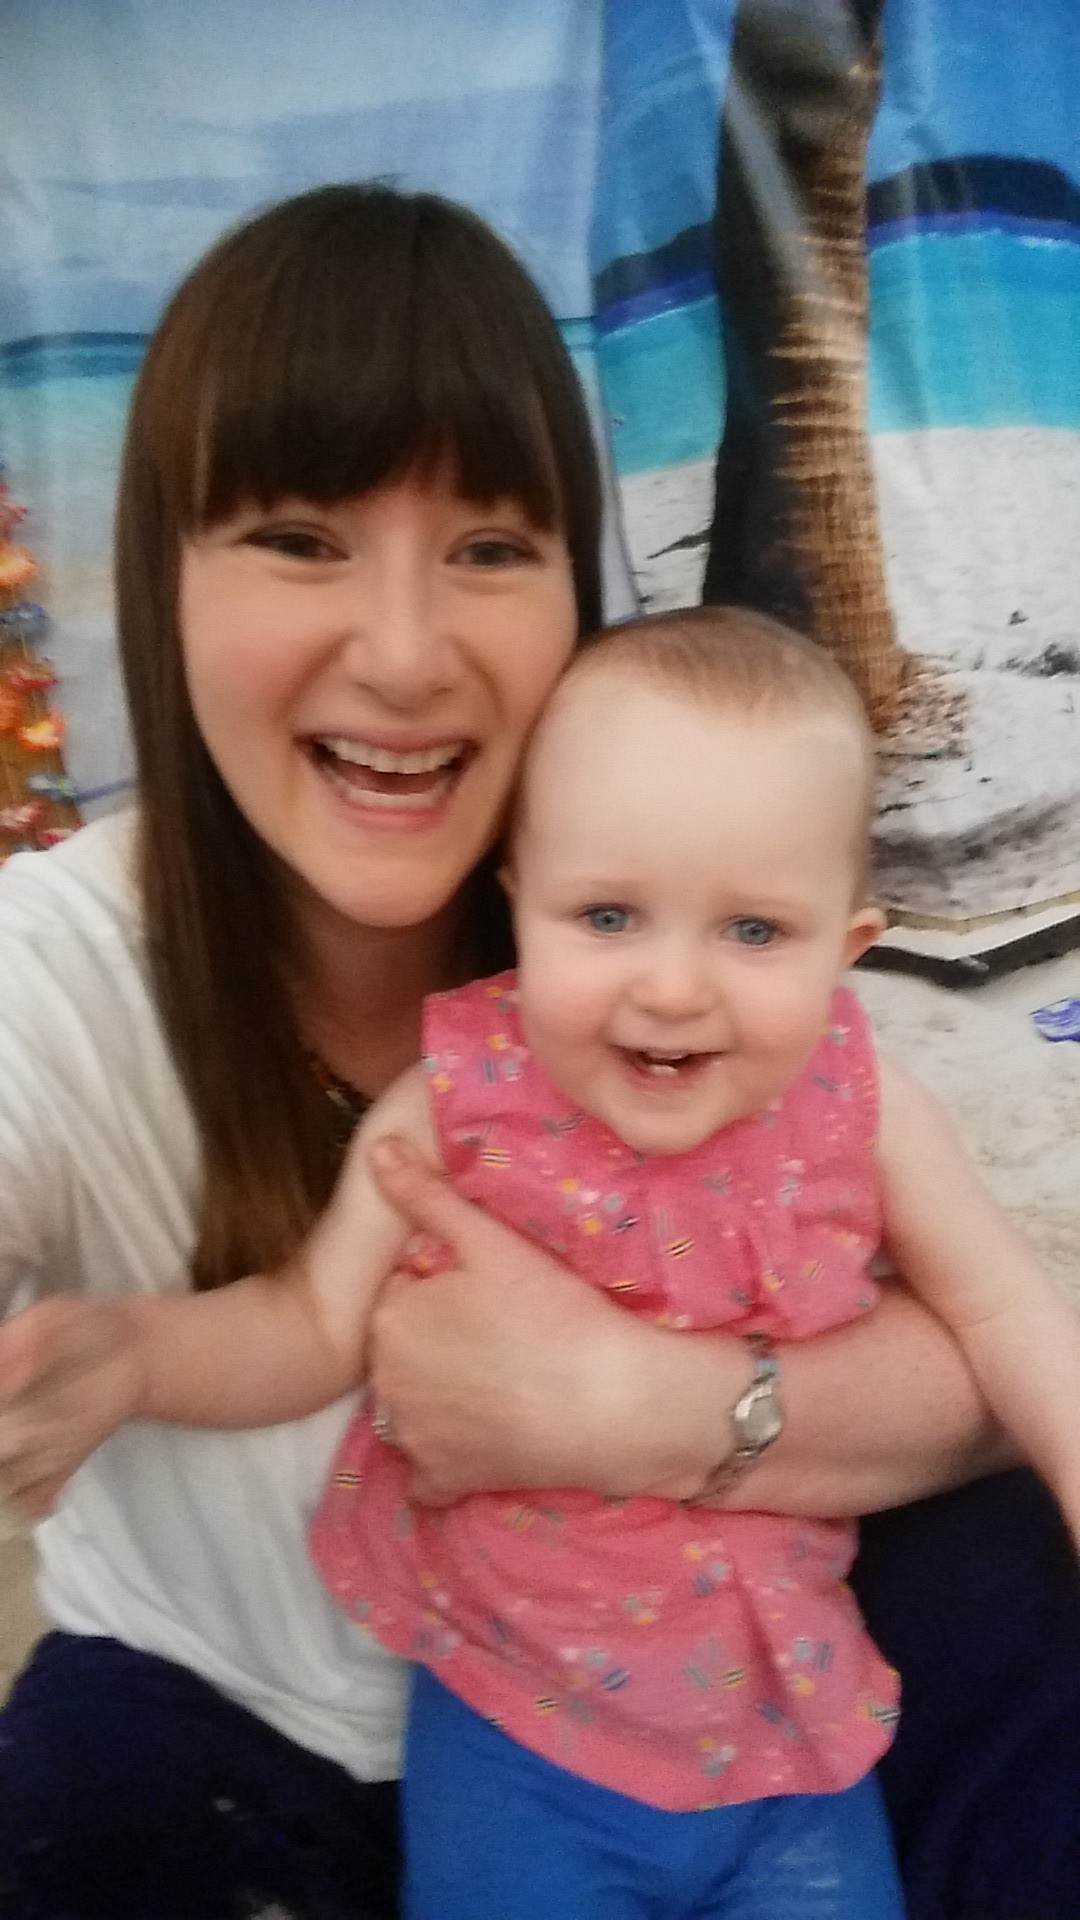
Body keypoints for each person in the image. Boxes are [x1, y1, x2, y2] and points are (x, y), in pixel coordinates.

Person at [0, 182, 1064, 1920]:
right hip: (283, 1725)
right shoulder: (63, 980)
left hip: (742, 1693)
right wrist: (109, 1351)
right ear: (162, 579)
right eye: (297, 537)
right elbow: (280, 1318)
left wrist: (636, 1409)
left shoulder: (710, 946)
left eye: (492, 548)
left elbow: (992, 1343)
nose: (406, 656)